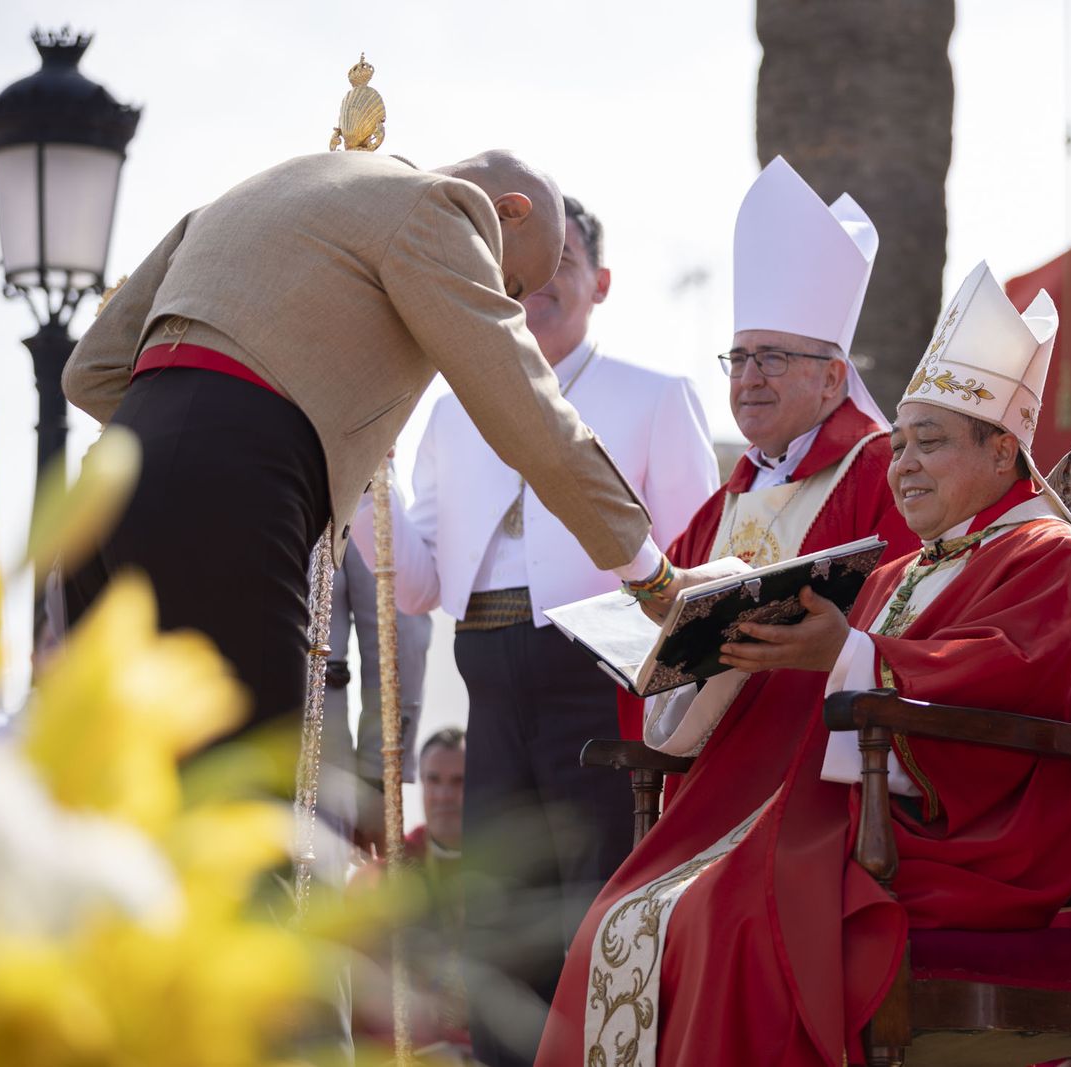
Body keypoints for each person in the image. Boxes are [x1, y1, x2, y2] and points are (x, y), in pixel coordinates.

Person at [536, 262, 1071, 1067]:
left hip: (973, 844)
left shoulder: (1052, 557)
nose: (904, 465)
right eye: (899, 446)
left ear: (1004, 451)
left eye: (930, 443)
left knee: (732, 911)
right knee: (628, 910)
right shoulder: (902, 570)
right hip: (866, 822)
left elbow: (1007, 679)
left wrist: (849, 653)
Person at [60, 148, 695, 737]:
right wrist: (651, 575)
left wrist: (178, 432)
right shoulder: (441, 211)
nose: (510, 311)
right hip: (233, 496)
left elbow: (89, 371)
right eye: (509, 288)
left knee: (119, 789)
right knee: (245, 784)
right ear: (507, 211)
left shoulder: (253, 191)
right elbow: (529, 415)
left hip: (102, 495)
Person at [351, 196, 718, 1064]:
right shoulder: (450, 414)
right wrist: (365, 468)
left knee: (595, 904)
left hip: (603, 680)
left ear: (602, 282)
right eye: (520, 268)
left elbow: (697, 558)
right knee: (499, 918)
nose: (538, 283)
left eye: (562, 262)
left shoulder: (655, 397)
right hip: (489, 677)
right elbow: (419, 583)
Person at [616, 155, 918, 741]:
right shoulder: (724, 503)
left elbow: (902, 618)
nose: (749, 378)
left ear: (832, 377)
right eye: (738, 358)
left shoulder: (884, 471)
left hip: (811, 744)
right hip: (707, 754)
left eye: (773, 358)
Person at [350, 728, 470, 1058]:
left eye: (458, 782)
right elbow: (357, 991)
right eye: (434, 780)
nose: (444, 795)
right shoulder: (379, 880)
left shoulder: (509, 872)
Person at [322, 534, 433, 850]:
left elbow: (395, 625)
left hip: (315, 758)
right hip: (317, 759)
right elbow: (398, 630)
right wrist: (376, 778)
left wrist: (377, 776)